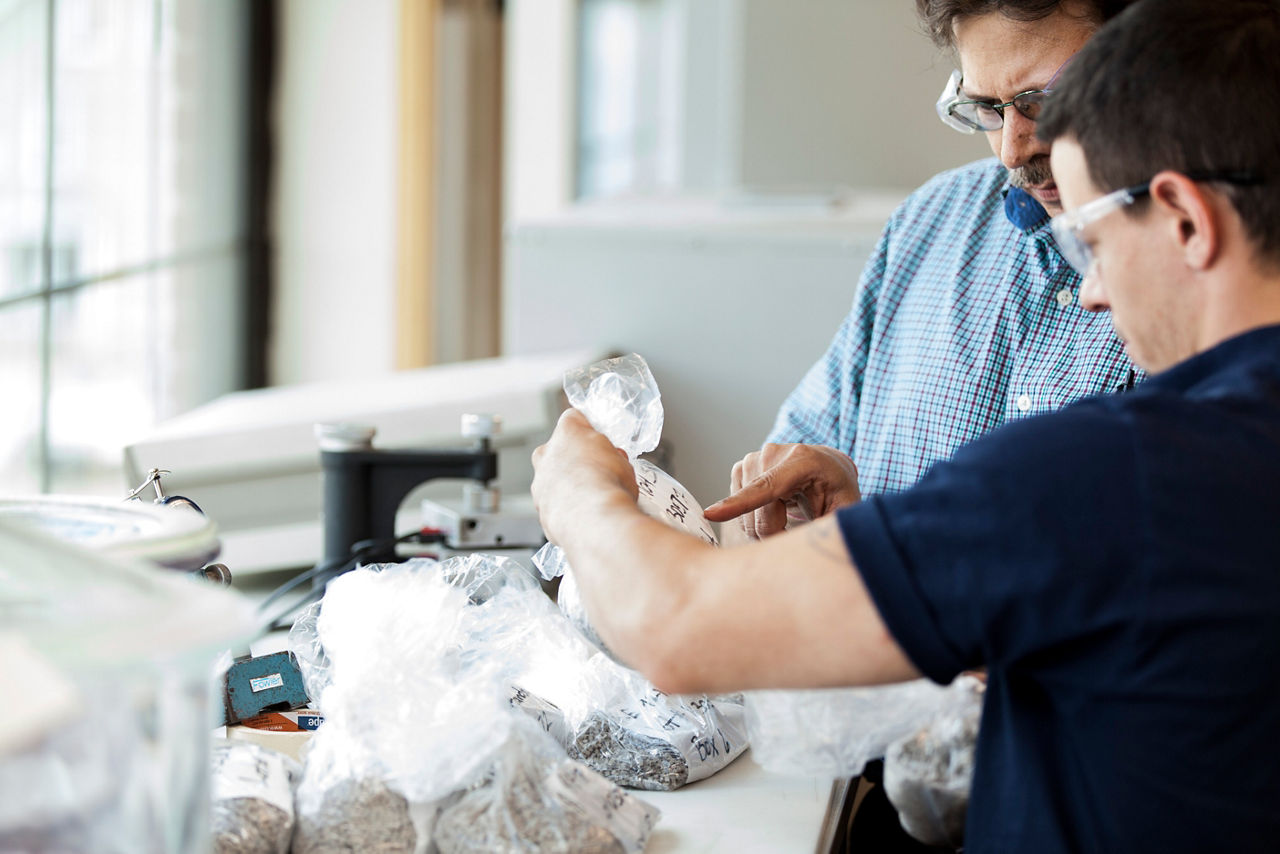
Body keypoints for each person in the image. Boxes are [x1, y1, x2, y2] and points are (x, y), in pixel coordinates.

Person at [529, 0, 1280, 849]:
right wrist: (882, 536)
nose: (1093, 291)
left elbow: (674, 624)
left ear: (1184, 217)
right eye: (985, 108)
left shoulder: (1117, 466)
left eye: (1096, 243)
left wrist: (579, 491)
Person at [715, 0, 1141, 541]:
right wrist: (806, 515)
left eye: (1045, 103)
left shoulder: (1210, 276)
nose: (1012, 150)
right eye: (987, 107)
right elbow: (796, 469)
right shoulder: (930, 224)